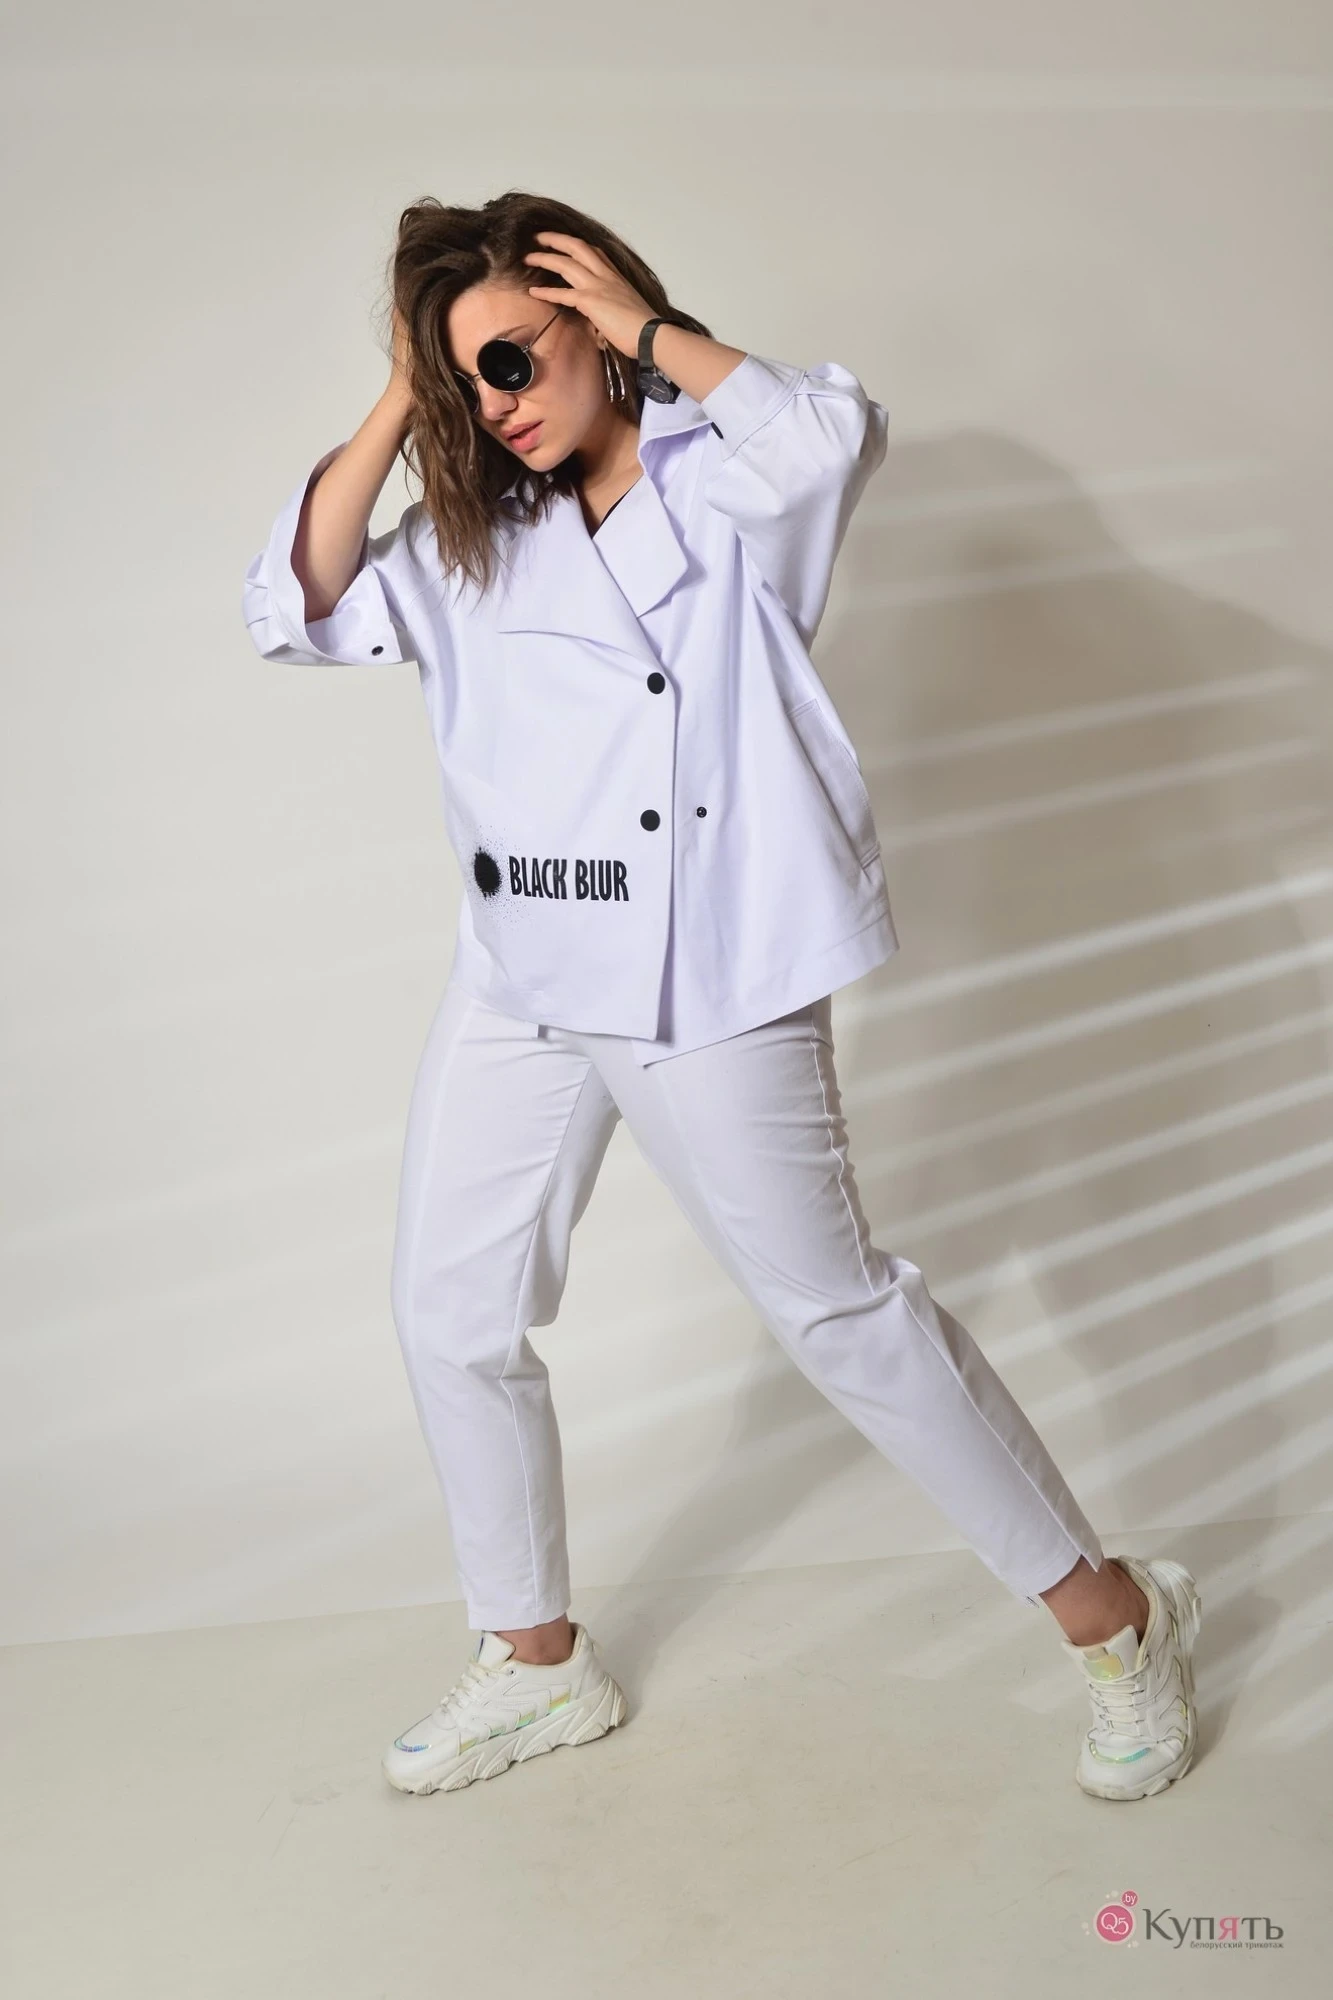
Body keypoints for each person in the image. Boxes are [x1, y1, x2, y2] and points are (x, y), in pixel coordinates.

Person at [242, 190, 1203, 1804]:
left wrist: (642, 328)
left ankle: (1117, 1623)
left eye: (515, 357)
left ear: (595, 322)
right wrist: (416, 382)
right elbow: (300, 597)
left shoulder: (727, 482)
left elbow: (831, 434)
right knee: (450, 1312)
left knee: (838, 1313)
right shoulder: (477, 538)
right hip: (524, 969)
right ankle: (536, 1662)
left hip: (710, 969)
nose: (498, 401)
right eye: (468, 378)